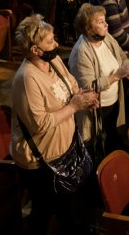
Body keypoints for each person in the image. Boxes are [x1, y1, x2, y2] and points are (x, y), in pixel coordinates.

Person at [10, 14, 99, 234]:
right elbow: (39, 124)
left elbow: (71, 84)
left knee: (64, 204)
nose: (56, 44)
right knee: (44, 209)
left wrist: (83, 97)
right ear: (35, 50)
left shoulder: (54, 60)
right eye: (50, 42)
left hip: (65, 148)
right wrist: (74, 107)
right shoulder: (26, 78)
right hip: (40, 160)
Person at [68, 4, 129, 155]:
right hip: (98, 108)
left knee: (114, 138)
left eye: (104, 20)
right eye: (100, 22)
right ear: (88, 28)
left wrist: (126, 66)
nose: (106, 24)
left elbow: (121, 55)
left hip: (114, 100)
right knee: (100, 148)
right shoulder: (81, 52)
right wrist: (117, 76)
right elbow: (88, 87)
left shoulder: (106, 37)